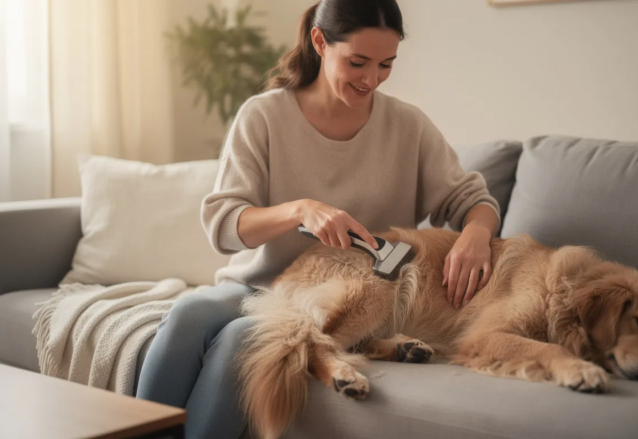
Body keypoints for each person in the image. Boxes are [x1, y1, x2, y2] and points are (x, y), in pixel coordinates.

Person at [136, 0, 500, 437]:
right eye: (358, 62)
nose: (371, 79)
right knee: (188, 315)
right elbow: (225, 223)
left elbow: (471, 199)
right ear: (320, 41)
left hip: (348, 296)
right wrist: (299, 209)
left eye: (386, 64)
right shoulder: (264, 115)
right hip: (260, 284)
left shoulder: (408, 126)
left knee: (242, 340)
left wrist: (477, 231)